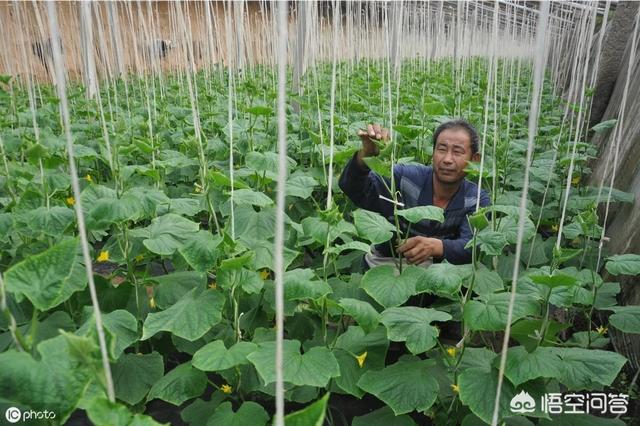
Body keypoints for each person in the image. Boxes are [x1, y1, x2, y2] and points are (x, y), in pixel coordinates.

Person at [338, 119, 490, 269]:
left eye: (457, 152)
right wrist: (365, 156)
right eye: (442, 149)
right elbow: (354, 189)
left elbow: (474, 246)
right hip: (387, 263)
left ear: (475, 159)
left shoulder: (475, 199)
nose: (447, 159)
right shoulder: (405, 178)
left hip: (439, 272)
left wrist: (437, 247)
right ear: (433, 152)